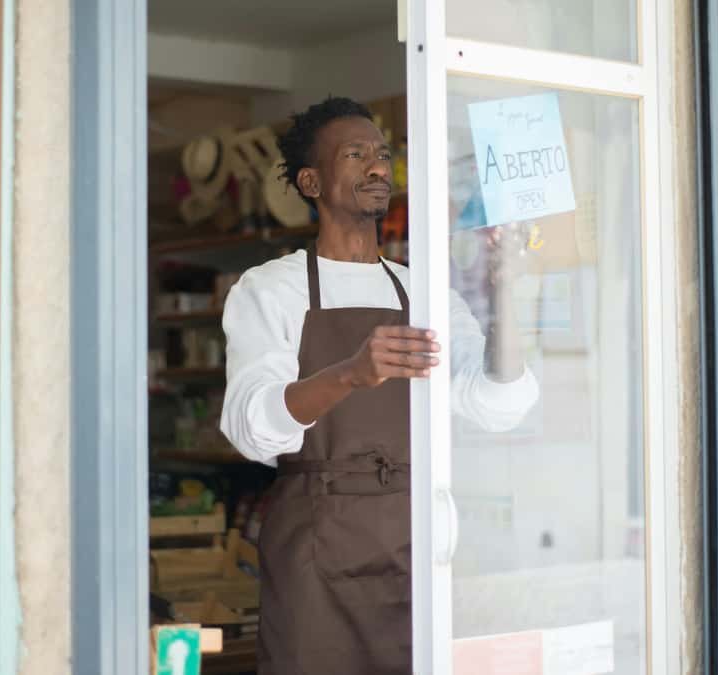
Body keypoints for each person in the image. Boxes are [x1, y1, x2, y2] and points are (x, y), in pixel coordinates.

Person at [219, 97, 538, 675]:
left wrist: (507, 295)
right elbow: (251, 426)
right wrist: (347, 374)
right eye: (356, 154)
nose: (376, 167)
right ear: (312, 180)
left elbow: (493, 403)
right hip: (314, 552)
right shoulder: (270, 289)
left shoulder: (425, 292)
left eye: (383, 155)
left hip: (412, 545)